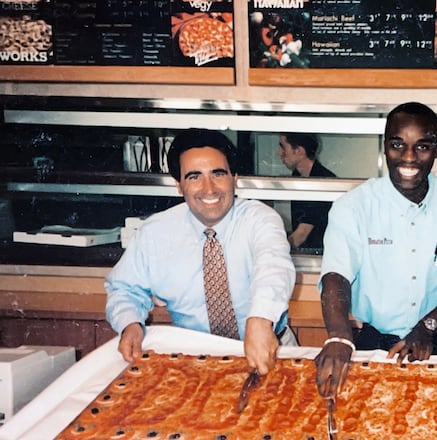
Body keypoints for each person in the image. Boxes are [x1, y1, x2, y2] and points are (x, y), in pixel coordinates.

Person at [314, 102, 437, 398]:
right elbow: (335, 277)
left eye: (422, 147)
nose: (408, 157)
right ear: (384, 147)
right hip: (373, 343)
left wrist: (427, 328)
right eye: (397, 145)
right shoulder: (353, 206)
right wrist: (339, 336)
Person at [105, 128, 296, 375]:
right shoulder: (155, 232)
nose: (209, 189)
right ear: (178, 185)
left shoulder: (261, 219)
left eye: (218, 174)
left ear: (234, 178)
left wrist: (260, 320)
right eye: (194, 177)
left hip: (270, 349)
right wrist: (130, 324)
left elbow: (274, 268)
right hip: (194, 359)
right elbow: (124, 288)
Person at [277, 133, 336, 251]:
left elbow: (302, 234)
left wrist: (275, 252)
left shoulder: (323, 182)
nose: (279, 153)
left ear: (299, 151)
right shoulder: (298, 176)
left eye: (283, 147)